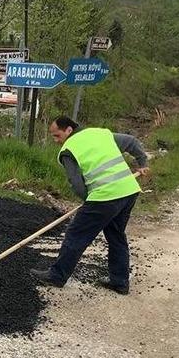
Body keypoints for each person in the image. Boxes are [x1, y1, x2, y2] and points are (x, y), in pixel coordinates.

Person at [30, 116, 150, 295]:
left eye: (57, 136)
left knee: (76, 234)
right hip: (128, 191)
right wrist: (142, 163)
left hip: (105, 197)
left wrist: (89, 201)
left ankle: (56, 276)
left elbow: (76, 183)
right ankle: (120, 282)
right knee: (116, 235)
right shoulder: (100, 133)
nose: (56, 141)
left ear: (69, 130)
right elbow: (131, 142)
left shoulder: (68, 150)